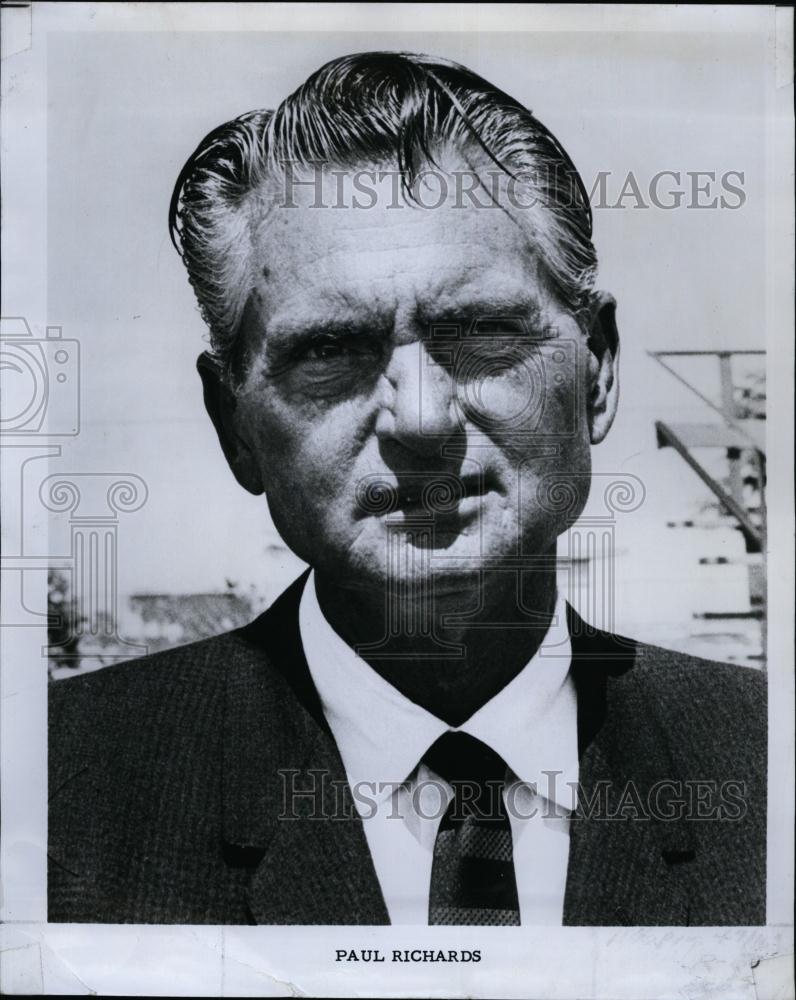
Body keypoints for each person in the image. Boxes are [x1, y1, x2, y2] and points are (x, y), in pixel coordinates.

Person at [48, 51, 766, 926]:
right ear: (233, 422)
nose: (420, 424)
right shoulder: (50, 794)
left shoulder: (772, 768)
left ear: (597, 375)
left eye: (480, 333)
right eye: (331, 351)